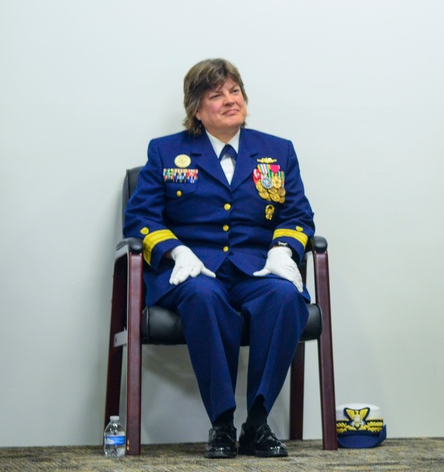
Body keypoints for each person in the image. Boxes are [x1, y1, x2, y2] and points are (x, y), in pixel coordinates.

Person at [125, 58, 315, 459]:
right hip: (192, 270)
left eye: (235, 91)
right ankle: (223, 425)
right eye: (217, 95)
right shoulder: (166, 151)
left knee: (284, 297)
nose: (231, 100)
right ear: (197, 109)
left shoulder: (277, 151)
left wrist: (283, 251)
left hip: (254, 268)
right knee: (205, 297)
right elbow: (140, 217)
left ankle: (258, 424)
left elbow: (297, 215)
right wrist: (175, 251)